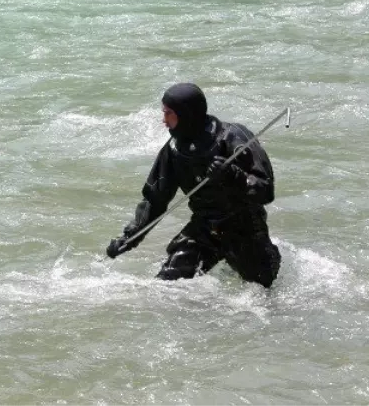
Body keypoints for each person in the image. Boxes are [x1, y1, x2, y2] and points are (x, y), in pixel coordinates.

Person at [105, 83, 282, 287]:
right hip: (205, 227)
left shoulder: (233, 138)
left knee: (264, 289)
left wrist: (233, 175)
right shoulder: (173, 151)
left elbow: (266, 191)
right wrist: (130, 237)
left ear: (186, 114)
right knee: (168, 284)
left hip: (245, 225)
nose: (164, 121)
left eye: (169, 114)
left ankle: (267, 256)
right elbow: (155, 200)